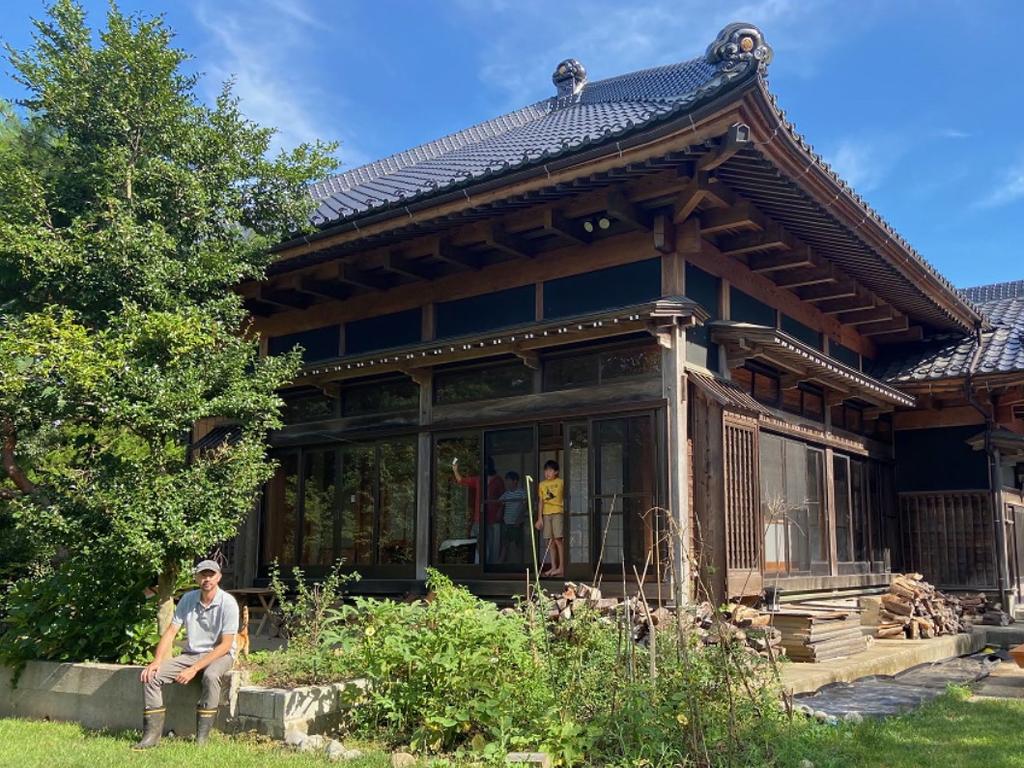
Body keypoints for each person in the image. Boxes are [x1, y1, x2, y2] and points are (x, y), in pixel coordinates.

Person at [133, 559, 239, 750]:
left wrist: (194, 669)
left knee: (211, 675)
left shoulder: (228, 603)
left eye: (211, 574)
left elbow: (226, 645)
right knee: (151, 677)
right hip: (191, 653)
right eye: (203, 575)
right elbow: (171, 631)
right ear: (197, 577)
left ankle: (202, 739)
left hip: (221, 655)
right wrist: (157, 661)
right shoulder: (188, 599)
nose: (207, 579)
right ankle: (151, 736)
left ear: (219, 577)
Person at [535, 460, 565, 577]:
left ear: (556, 472)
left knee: (558, 539)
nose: (547, 473)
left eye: (550, 470)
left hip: (558, 512)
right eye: (546, 470)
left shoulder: (561, 482)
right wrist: (539, 518)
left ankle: (561, 568)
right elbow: (541, 502)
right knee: (549, 541)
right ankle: (553, 567)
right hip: (546, 514)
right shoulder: (541, 484)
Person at [498, 470, 527, 564]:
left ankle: (521, 565)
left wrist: (519, 519)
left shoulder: (521, 492)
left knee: (518, 545)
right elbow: (499, 503)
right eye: (506, 481)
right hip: (507, 522)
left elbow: (525, 506)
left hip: (517, 523)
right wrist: (499, 513)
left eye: (509, 480)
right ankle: (499, 564)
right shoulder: (506, 494)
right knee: (505, 545)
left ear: (515, 481)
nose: (507, 483)